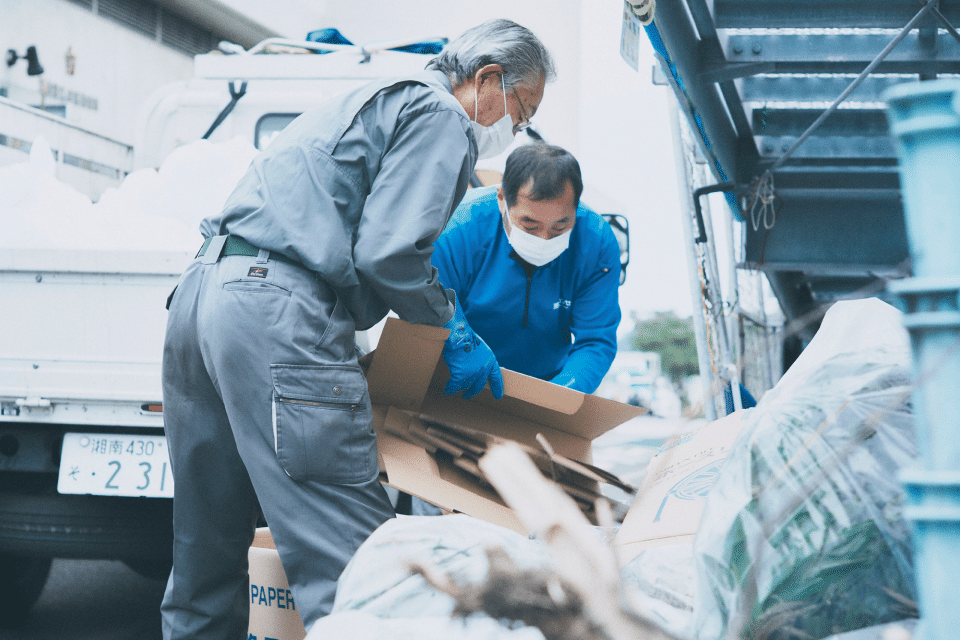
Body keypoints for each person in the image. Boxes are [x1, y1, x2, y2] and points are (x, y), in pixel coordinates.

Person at [160, 19, 554, 639]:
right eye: (521, 111)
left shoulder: (385, 91)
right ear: (487, 80)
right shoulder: (440, 114)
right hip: (275, 311)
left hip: (204, 295)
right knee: (362, 565)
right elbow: (390, 252)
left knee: (204, 544)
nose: (516, 130)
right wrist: (452, 330)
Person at [432, 144, 621, 395]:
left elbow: (595, 340)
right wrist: (459, 344)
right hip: (459, 375)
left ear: (576, 209)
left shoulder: (596, 242)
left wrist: (561, 393)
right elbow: (432, 303)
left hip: (547, 383)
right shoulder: (459, 227)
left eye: (560, 227)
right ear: (502, 199)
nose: (544, 238)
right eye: (530, 225)